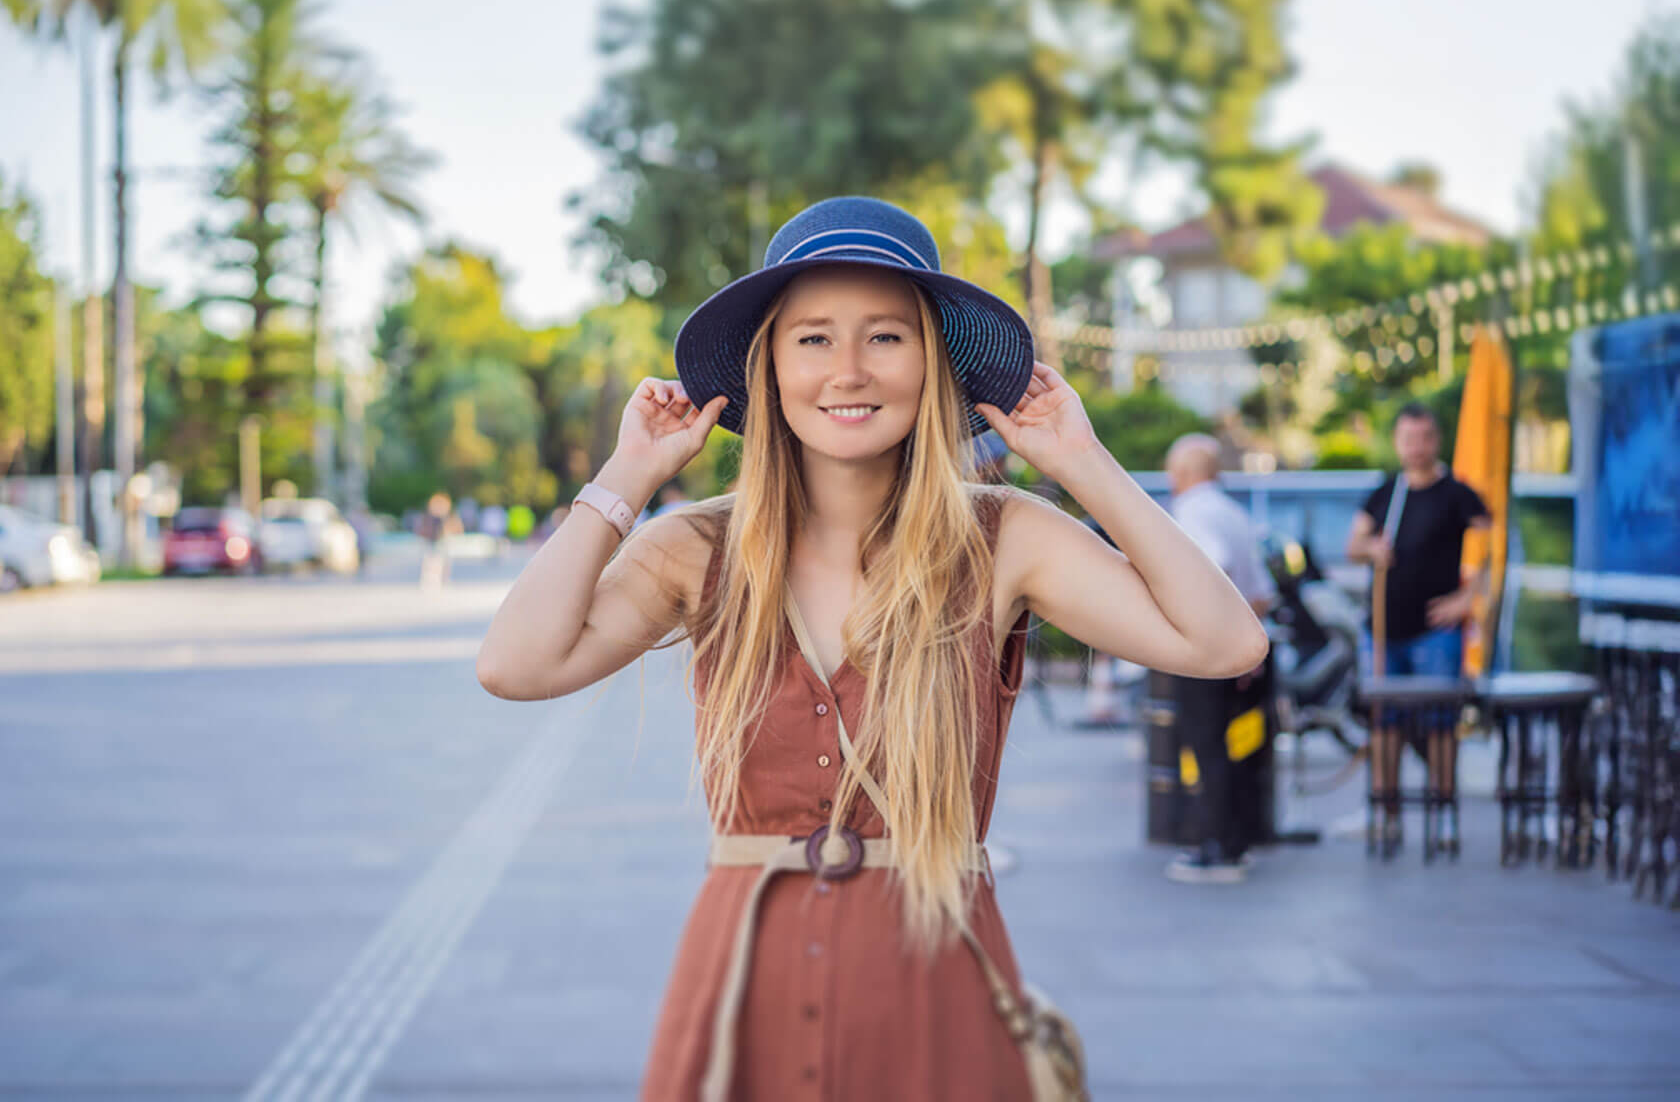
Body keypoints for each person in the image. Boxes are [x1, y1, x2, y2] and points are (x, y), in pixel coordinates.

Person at [475, 197, 1266, 1101]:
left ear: (933, 363)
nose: (848, 370)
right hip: (742, 995)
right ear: (767, 367)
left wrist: (1081, 462)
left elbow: (1226, 639)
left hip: (937, 990)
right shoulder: (697, 551)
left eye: (885, 337)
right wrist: (628, 475)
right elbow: (515, 664)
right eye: (812, 339)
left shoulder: (1004, 538)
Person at [1345, 402, 1491, 851]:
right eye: (1408, 439)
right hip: (1385, 631)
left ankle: (1443, 812)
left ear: (1437, 440)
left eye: (1425, 437)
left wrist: (1467, 598)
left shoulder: (1458, 494)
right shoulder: (1386, 493)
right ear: (1396, 442)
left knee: (1439, 725)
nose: (1417, 447)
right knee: (1384, 723)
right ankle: (1387, 813)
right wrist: (1373, 550)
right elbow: (1353, 546)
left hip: (1436, 632)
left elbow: (1496, 548)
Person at [1162, 434, 1276, 884]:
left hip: (1206, 651)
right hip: (1243, 652)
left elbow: (1216, 565)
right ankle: (1236, 842)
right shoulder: (1235, 513)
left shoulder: (1191, 512)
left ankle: (1216, 848)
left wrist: (1207, 628)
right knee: (1234, 747)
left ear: (1186, 473)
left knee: (1205, 746)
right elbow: (1262, 593)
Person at [415, 492, 460, 590]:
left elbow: (455, 526)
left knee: (440, 561)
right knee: (432, 561)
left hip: (441, 540)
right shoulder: (430, 516)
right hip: (433, 540)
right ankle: (432, 580)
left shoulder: (445, 516)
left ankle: (439, 579)